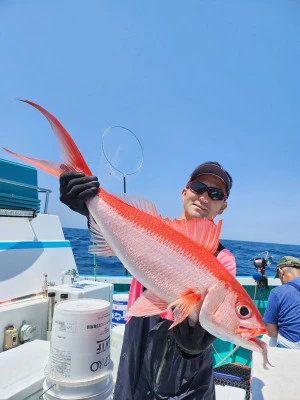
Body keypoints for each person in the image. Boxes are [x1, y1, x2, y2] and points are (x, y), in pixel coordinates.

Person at [59, 161, 236, 400]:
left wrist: (195, 340)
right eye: (198, 187)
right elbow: (116, 237)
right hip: (136, 344)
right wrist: (89, 208)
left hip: (186, 370)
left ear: (222, 206)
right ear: (185, 193)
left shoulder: (222, 259)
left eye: (215, 194)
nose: (204, 197)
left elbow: (209, 324)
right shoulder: (148, 230)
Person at [263, 256, 300, 349]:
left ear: (281, 272)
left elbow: (272, 333)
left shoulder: (278, 292)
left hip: (291, 348)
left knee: (265, 340)